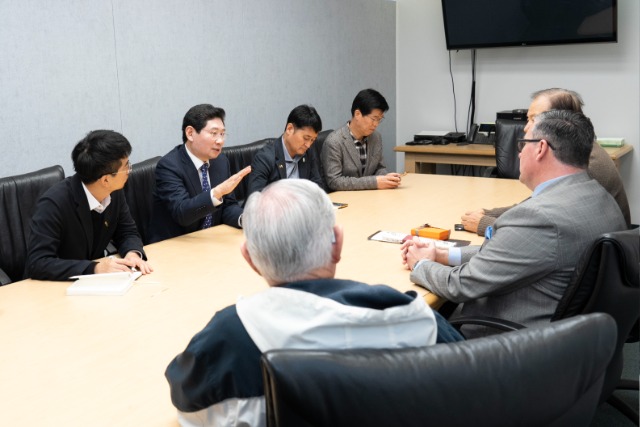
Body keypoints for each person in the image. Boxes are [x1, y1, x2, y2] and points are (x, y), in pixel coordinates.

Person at [165, 179, 463, 426]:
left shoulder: (227, 338)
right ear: (339, 242)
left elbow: (189, 412)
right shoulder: (414, 317)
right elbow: (473, 389)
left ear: (250, 259)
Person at [401, 110, 627, 339]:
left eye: (522, 143)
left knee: (402, 316)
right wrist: (442, 254)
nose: (518, 154)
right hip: (573, 343)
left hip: (507, 347)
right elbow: (512, 252)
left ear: (540, 148)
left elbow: (461, 285)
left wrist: (421, 264)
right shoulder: (599, 196)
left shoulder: (538, 217)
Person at [461, 88, 631, 235]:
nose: (526, 127)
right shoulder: (581, 151)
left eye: (534, 119)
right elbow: (532, 206)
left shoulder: (585, 165)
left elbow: (537, 230)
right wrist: (489, 213)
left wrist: (486, 224)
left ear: (560, 121)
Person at [26, 130, 152, 281]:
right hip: (51, 287)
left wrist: (132, 253)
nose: (129, 171)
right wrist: (94, 268)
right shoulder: (54, 204)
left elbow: (127, 231)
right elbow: (38, 263)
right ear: (106, 180)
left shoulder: (113, 191)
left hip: (93, 286)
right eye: (126, 166)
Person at [149, 104, 251, 243]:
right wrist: (216, 193)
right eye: (214, 133)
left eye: (222, 134)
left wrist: (245, 219)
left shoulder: (221, 161)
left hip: (210, 241)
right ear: (190, 133)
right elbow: (182, 213)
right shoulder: (169, 166)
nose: (220, 141)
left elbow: (228, 206)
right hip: (176, 244)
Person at [321, 88, 402, 191]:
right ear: (357, 114)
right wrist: (374, 182)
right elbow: (335, 182)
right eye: (374, 119)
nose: (376, 124)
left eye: (379, 120)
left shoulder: (376, 137)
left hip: (368, 198)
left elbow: (379, 168)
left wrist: (387, 178)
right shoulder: (334, 141)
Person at [246, 104, 325, 197]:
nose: (308, 145)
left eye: (312, 140)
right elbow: (255, 199)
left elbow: (318, 188)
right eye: (306, 138)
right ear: (289, 129)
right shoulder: (265, 158)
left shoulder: (308, 153)